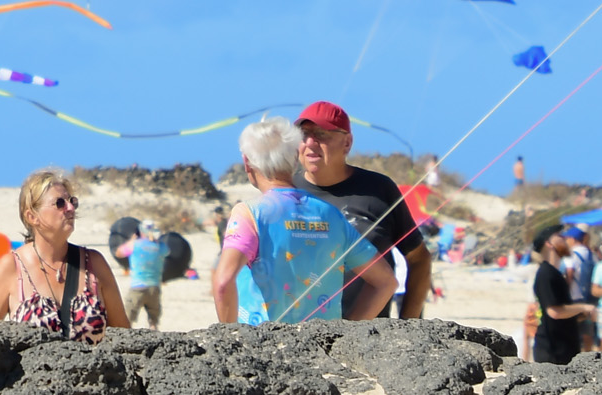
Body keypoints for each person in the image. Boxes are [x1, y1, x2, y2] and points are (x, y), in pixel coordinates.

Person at [212, 117, 395, 325]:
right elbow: (386, 282)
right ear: (294, 157)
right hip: (323, 347)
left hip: (262, 347)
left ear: (247, 162)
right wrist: (350, 329)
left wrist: (230, 339)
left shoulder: (250, 213)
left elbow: (223, 282)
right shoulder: (331, 214)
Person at [295, 100, 430, 318]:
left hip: (369, 340)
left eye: (322, 134)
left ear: (347, 143)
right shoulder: (286, 192)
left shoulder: (378, 189)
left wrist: (409, 325)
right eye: (304, 134)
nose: (310, 142)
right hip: (300, 336)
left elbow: (419, 259)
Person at [0, 169, 128, 340]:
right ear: (32, 216)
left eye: (72, 201)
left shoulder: (94, 264)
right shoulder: (12, 267)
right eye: (60, 203)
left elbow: (124, 335)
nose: (70, 208)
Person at [530, 227, 591, 365]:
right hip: (552, 352)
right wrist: (583, 307)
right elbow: (554, 312)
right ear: (549, 244)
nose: (565, 239)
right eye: (560, 236)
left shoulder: (555, 273)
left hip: (563, 348)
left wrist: (578, 314)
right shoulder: (546, 274)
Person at [121, 219, 167, 327]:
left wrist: (131, 240)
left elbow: (119, 252)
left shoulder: (134, 244)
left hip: (138, 285)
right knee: (154, 320)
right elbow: (167, 251)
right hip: (154, 286)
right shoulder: (159, 246)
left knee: (128, 318)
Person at [560, 225, 598, 353]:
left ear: (572, 239)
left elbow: (569, 274)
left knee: (571, 331)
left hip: (574, 298)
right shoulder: (592, 254)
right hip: (590, 298)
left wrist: (563, 293)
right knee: (587, 333)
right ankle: (588, 358)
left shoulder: (570, 255)